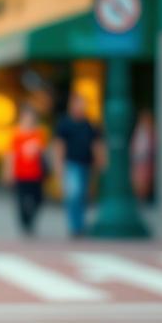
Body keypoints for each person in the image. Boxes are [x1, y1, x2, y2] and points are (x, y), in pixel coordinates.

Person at [54, 91, 106, 237]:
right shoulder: (65, 124)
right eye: (79, 103)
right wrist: (59, 167)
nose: (81, 107)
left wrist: (100, 163)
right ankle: (75, 226)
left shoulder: (89, 124)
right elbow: (59, 146)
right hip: (71, 165)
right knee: (74, 194)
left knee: (83, 195)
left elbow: (96, 144)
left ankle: (80, 224)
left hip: (86, 165)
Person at [5, 104, 48, 236]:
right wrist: (8, 171)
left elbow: (44, 152)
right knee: (21, 200)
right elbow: (10, 154)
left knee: (39, 199)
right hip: (21, 173)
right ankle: (25, 222)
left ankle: (30, 219)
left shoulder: (40, 133)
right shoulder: (16, 134)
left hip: (36, 173)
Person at [130, 107, 156, 203]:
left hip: (146, 161)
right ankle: (140, 198)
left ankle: (144, 198)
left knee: (145, 181)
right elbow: (134, 145)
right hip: (138, 160)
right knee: (138, 181)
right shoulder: (138, 130)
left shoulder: (151, 131)